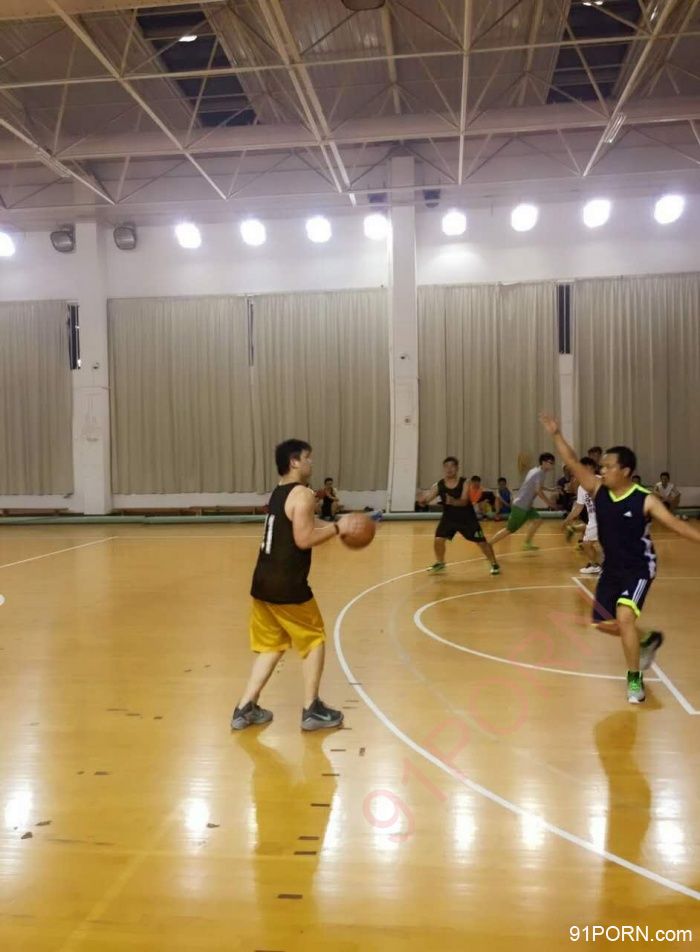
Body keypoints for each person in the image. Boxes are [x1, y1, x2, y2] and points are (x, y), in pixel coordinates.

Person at [540, 414, 700, 703]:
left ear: (625, 471)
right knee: (602, 623)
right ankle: (647, 638)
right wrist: (556, 434)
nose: (603, 470)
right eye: (602, 466)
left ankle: (634, 680)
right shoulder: (597, 489)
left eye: (608, 466)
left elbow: (676, 526)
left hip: (639, 568)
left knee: (625, 618)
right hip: (612, 568)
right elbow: (572, 461)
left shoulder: (645, 499)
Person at [231, 439, 348, 732]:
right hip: (287, 585)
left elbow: (303, 524)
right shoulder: (304, 493)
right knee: (314, 639)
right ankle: (312, 709)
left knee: (271, 645)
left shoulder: (280, 492)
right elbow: (304, 538)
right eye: (308, 458)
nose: (311, 463)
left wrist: (340, 525)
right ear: (294, 461)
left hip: (262, 582)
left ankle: (245, 707)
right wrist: (337, 528)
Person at [418, 457, 500, 576]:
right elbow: (428, 499)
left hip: (467, 518)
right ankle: (440, 562)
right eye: (446, 466)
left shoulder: (465, 482)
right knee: (438, 539)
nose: (449, 469)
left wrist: (452, 501)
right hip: (449, 518)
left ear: (457, 468)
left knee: (481, 542)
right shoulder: (439, 485)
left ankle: (494, 563)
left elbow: (464, 501)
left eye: (452, 466)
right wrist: (422, 501)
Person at [489, 453, 557, 551]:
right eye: (551, 463)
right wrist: (549, 503)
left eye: (553, 463)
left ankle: (527, 543)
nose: (552, 465)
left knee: (538, 521)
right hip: (520, 505)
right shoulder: (538, 473)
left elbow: (538, 486)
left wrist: (551, 489)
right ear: (543, 462)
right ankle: (489, 544)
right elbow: (538, 490)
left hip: (527, 506)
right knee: (509, 529)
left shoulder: (538, 471)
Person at [562, 457, 603, 575]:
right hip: (593, 520)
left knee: (607, 544)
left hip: (606, 518)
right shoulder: (581, 487)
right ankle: (595, 565)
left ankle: (602, 566)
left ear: (593, 468)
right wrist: (567, 520)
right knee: (587, 544)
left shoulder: (602, 481)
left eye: (587, 468)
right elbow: (578, 507)